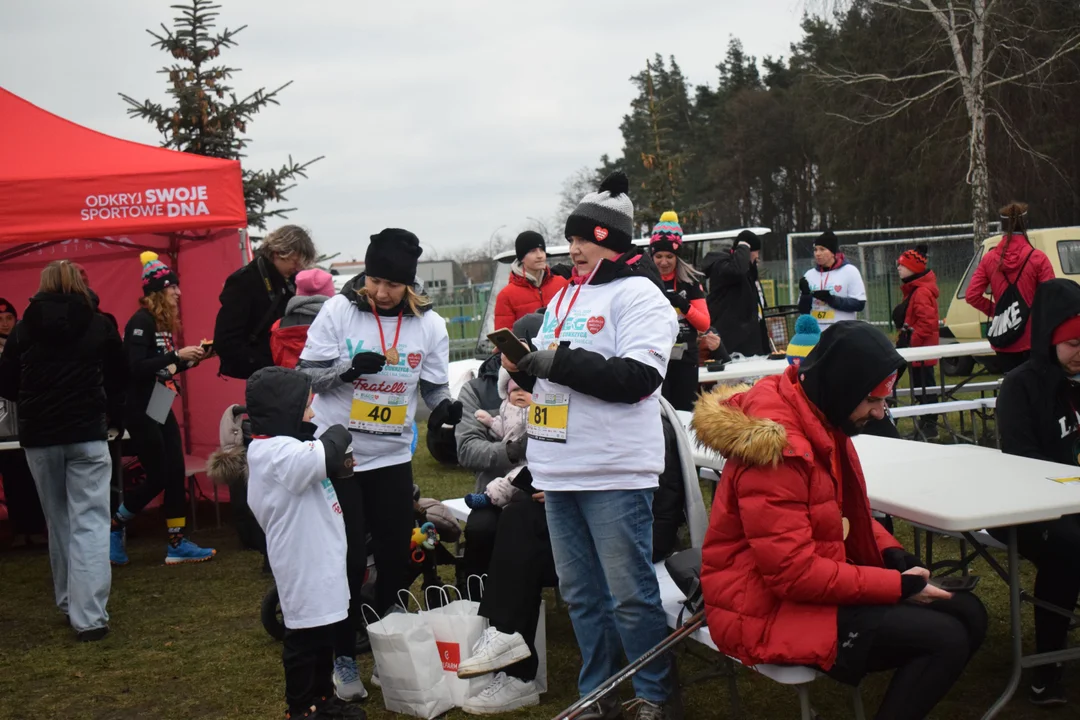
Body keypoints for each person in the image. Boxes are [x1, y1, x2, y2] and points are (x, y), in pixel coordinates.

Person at [694, 321, 987, 720]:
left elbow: (838, 515)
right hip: (761, 608)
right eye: (872, 399)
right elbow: (792, 574)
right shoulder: (779, 449)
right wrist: (896, 587)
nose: (881, 411)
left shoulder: (817, 414)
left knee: (968, 612)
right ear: (842, 387)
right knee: (945, 637)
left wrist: (893, 555)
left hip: (800, 589)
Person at [506, 171, 677, 720]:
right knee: (580, 596)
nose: (573, 248)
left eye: (584, 238)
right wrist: (523, 367)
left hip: (615, 470)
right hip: (559, 469)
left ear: (610, 239)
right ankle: (598, 692)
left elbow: (637, 379)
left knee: (630, 596)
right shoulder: (564, 298)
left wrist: (556, 361)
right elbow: (557, 380)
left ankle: (653, 694)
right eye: (572, 238)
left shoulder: (641, 295)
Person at [297, 228, 460, 699]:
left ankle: (385, 645)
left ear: (409, 285)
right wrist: (347, 372)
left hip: (391, 455)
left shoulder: (430, 325)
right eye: (373, 280)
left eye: (391, 284)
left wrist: (444, 406)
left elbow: (433, 388)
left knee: (393, 555)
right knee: (347, 559)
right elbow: (305, 373)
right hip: (341, 454)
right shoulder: (338, 310)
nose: (380, 292)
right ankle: (343, 656)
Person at [0, 260, 126, 641]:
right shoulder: (100, 324)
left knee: (59, 521)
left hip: (40, 438)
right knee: (90, 522)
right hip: (87, 433)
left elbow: (6, 384)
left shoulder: (22, 330)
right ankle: (90, 617)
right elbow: (121, 376)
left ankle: (69, 601)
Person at [244, 366, 363, 720]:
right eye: (306, 408)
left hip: (319, 558)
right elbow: (326, 453)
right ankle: (300, 706)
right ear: (284, 411)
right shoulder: (275, 452)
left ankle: (323, 697)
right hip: (302, 561)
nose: (311, 415)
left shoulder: (283, 447)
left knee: (324, 630)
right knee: (303, 638)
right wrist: (340, 428)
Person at [996, 278, 1080, 705]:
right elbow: (1021, 461)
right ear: (1049, 339)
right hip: (1029, 507)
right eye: (1073, 344)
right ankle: (1047, 664)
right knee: (1069, 549)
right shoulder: (1020, 387)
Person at [111, 252, 215, 566]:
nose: (179, 293)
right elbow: (135, 368)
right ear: (158, 291)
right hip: (140, 408)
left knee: (174, 473)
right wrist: (175, 356)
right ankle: (114, 528)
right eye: (173, 288)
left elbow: (160, 371)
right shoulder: (140, 321)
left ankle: (176, 544)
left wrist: (188, 361)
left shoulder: (160, 322)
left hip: (159, 401)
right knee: (157, 476)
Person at [454, 310, 541, 584]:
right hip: (493, 492)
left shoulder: (557, 384)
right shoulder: (478, 390)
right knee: (481, 530)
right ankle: (475, 599)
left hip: (546, 492)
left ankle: (523, 601)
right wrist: (513, 450)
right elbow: (467, 448)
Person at [215, 225, 316, 380]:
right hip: (262, 374)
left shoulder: (288, 282)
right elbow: (226, 341)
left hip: (281, 372)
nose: (297, 268)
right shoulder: (245, 281)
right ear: (278, 252)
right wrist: (269, 367)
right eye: (294, 261)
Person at [965, 202, 1055, 373]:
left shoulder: (990, 259)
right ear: (1026, 225)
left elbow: (971, 295)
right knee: (1037, 391)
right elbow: (1051, 297)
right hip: (1034, 338)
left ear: (1002, 227)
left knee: (1012, 392)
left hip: (1005, 337)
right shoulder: (1037, 258)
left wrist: (999, 311)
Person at [650, 211, 710, 411]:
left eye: (669, 256)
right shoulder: (644, 282)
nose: (664, 262)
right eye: (658, 256)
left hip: (685, 360)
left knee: (684, 413)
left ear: (678, 257)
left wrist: (684, 306)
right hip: (655, 359)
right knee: (660, 414)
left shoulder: (689, 283)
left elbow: (704, 324)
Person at [893, 245, 940, 436]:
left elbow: (927, 322)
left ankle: (929, 425)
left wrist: (912, 341)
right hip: (915, 351)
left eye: (902, 265)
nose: (898, 268)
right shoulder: (914, 290)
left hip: (920, 352)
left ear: (913, 268)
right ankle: (926, 423)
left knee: (924, 389)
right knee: (921, 388)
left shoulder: (920, 292)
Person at [704, 229, 768, 357]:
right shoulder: (722, 266)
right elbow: (737, 271)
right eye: (756, 252)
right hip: (730, 339)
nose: (757, 256)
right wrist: (744, 245)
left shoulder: (746, 270)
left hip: (749, 338)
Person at [493, 231, 569, 332]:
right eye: (533, 251)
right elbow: (505, 338)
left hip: (561, 347)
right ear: (522, 257)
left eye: (542, 250)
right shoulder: (506, 296)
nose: (540, 255)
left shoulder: (563, 284)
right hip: (527, 348)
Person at [798, 230, 867, 330]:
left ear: (833, 252)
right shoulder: (809, 275)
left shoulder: (850, 271)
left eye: (822, 249)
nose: (817, 253)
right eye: (815, 250)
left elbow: (859, 304)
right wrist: (805, 296)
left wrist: (831, 299)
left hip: (842, 332)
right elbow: (803, 311)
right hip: (816, 333)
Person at [271, 268, 336, 369]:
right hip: (324, 381)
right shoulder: (336, 323)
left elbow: (276, 359)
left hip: (287, 381)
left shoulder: (278, 325)